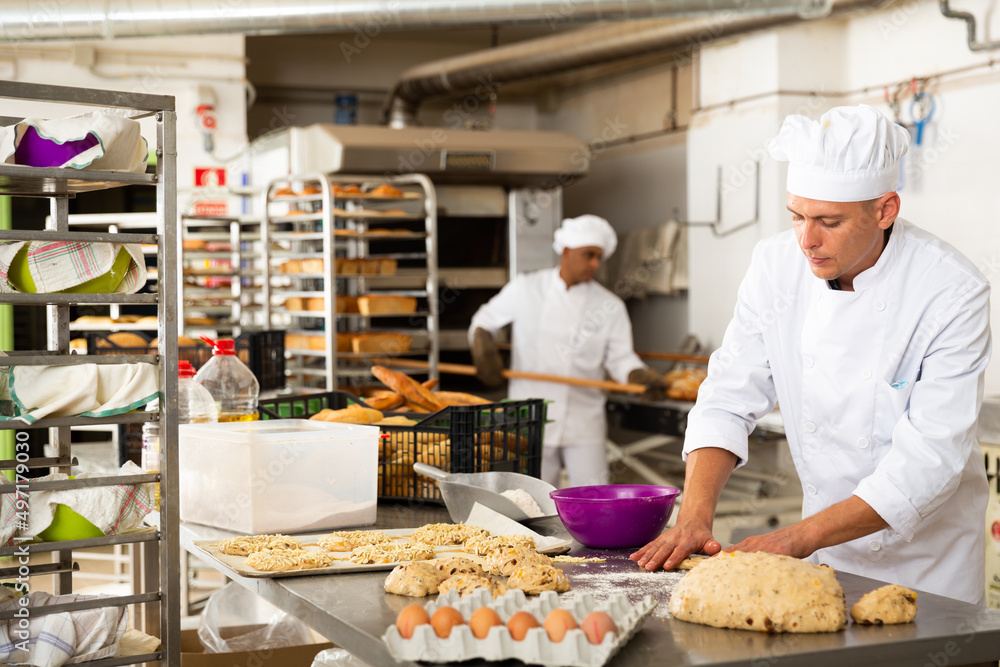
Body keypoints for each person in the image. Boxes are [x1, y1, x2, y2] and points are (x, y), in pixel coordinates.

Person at [631, 104, 991, 605]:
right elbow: (728, 397)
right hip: (819, 556)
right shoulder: (776, 264)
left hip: (927, 564)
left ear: (885, 209)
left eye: (829, 221)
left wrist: (794, 538)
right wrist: (694, 515)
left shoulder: (950, 289)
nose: (807, 240)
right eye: (796, 216)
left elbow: (930, 460)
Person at [468, 214, 666, 488]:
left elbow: (621, 358)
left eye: (599, 257)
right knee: (530, 504)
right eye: (589, 255)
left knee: (594, 500)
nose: (595, 264)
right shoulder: (526, 289)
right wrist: (483, 346)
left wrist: (637, 375)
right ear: (567, 251)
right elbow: (484, 321)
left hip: (584, 422)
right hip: (530, 420)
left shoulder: (609, 305)